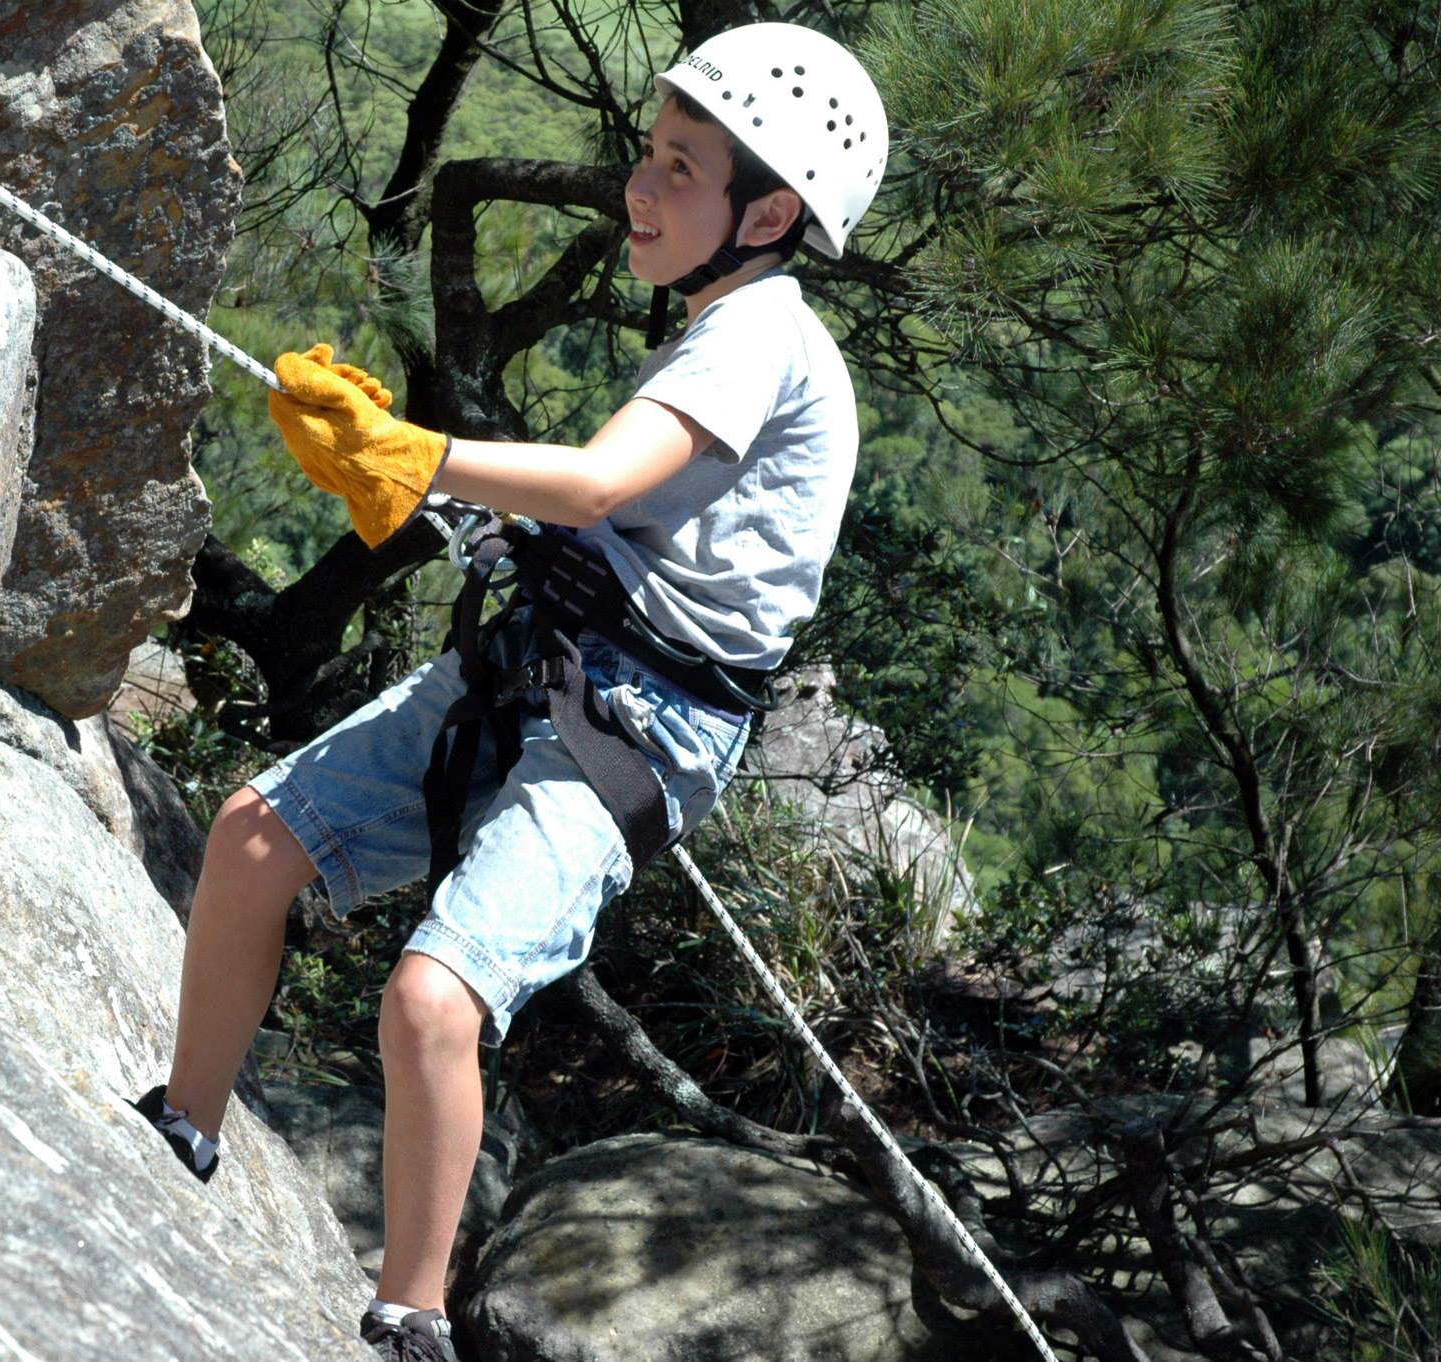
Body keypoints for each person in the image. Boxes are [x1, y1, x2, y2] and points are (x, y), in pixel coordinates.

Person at [130, 22, 887, 1362]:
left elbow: (599, 483)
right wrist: (433, 490)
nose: (639, 191)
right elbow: (616, 529)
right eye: (645, 155)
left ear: (765, 214)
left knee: (434, 998)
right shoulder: (734, 325)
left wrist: (422, 456)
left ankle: (410, 1315)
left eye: (677, 169)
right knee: (254, 835)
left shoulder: (757, 338)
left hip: (634, 728)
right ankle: (180, 1128)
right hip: (553, 662)